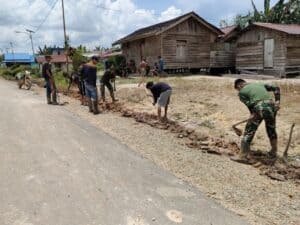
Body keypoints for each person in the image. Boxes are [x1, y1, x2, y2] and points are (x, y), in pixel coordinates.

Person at [231, 79, 281, 163]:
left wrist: (252, 114)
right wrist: (277, 102)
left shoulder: (241, 93)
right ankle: (273, 153)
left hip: (260, 107)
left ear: (239, 86)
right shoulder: (259, 84)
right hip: (271, 106)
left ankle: (243, 156)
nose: (239, 90)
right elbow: (276, 87)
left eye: (238, 89)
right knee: (271, 130)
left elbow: (250, 105)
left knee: (249, 130)